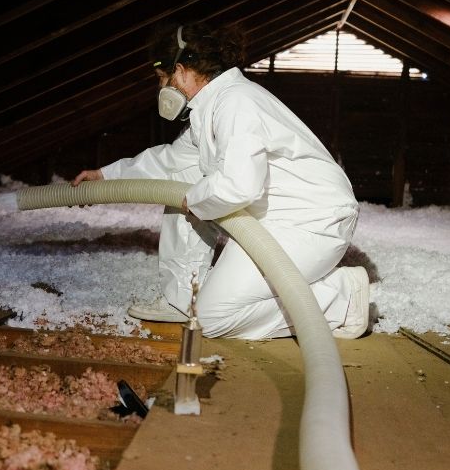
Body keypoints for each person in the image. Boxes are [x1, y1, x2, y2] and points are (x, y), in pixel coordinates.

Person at [71, 19, 369, 340]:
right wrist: (106, 176)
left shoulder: (235, 102)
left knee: (213, 318)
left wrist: (195, 200)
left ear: (183, 70)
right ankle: (181, 298)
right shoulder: (210, 107)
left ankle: (341, 297)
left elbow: (240, 185)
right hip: (274, 221)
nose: (162, 89)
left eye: (163, 78)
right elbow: (170, 162)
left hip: (311, 222)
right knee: (182, 178)